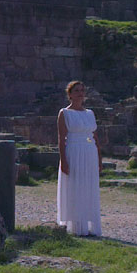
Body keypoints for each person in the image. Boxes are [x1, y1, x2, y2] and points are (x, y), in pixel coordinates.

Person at [57, 81, 105, 236]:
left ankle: (90, 225)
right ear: (70, 94)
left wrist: (99, 157)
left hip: (89, 152)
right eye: (76, 90)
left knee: (88, 187)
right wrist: (63, 161)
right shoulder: (64, 113)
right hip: (73, 151)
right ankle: (75, 226)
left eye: (82, 90)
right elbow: (61, 138)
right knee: (75, 186)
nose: (80, 93)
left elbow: (94, 137)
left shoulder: (90, 113)